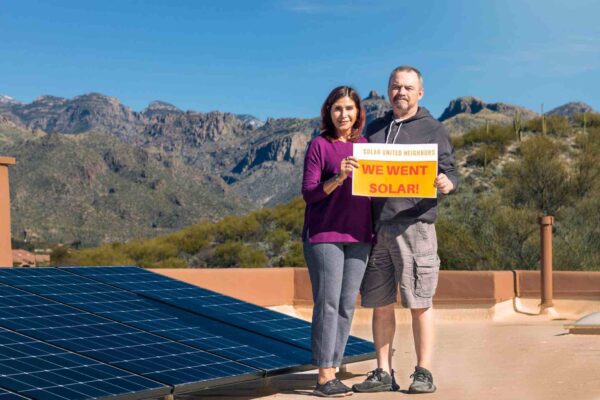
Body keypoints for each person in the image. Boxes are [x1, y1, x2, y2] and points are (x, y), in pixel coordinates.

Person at [352, 66, 457, 394]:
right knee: (380, 302)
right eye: (396, 87)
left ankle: (423, 372)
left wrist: (446, 183)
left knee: (419, 301)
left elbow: (451, 172)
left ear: (420, 93)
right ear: (388, 90)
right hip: (378, 227)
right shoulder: (375, 129)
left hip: (416, 226)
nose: (401, 92)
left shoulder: (433, 129)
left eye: (408, 88)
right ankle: (383, 371)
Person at [302, 86, 373, 397]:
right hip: (325, 236)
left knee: (346, 305)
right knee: (328, 304)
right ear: (328, 113)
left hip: (360, 237)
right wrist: (338, 177)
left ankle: (334, 367)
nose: (344, 115)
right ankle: (323, 375)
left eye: (349, 108)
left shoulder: (367, 146)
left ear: (358, 112)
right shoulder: (319, 145)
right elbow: (309, 193)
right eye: (337, 109)